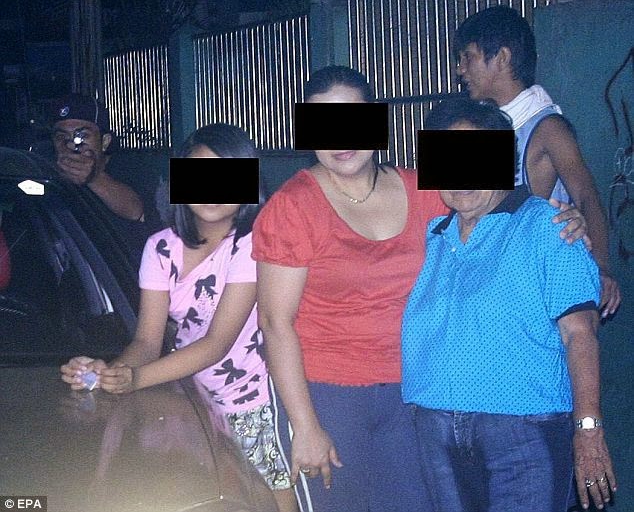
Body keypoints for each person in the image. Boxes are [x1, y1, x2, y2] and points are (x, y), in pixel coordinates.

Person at [252, 65, 587, 512]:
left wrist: (560, 219)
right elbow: (275, 323)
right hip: (326, 393)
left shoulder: (426, 190)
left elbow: (495, 207)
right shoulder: (293, 207)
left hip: (413, 394)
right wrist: (305, 425)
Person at [60, 123, 297, 512]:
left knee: (272, 496)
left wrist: (135, 379)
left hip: (254, 402)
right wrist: (109, 373)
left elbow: (216, 344)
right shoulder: (160, 248)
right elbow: (147, 341)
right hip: (192, 400)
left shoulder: (252, 244)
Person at [401, 98, 616, 512]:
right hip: (436, 431)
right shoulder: (434, 236)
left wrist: (588, 430)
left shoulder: (548, 227)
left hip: (523, 434)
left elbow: (580, 334)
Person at [454, 5, 621, 319]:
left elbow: (587, 196)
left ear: (502, 57)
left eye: (468, 57)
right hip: (494, 279)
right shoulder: (480, 127)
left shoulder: (547, 128)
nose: (461, 69)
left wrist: (600, 267)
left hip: (538, 284)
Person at [48, 93, 160, 267]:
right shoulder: (48, 179)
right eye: (61, 137)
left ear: (105, 141)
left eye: (82, 136)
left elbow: (135, 210)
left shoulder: (132, 168)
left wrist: (93, 178)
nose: (70, 145)